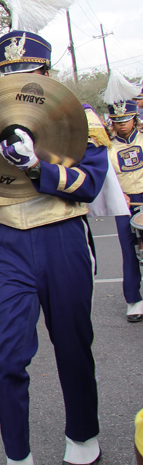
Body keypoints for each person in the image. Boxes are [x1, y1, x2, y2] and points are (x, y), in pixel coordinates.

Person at [0, 25, 111, 465]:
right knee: (5, 356)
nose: (17, 81)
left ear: (46, 73)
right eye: (8, 73)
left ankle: (84, 435)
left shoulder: (80, 117)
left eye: (27, 72)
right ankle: (19, 461)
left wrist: (39, 167)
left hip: (63, 235)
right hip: (12, 242)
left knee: (73, 344)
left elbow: (90, 182)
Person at [104, 97, 143, 322]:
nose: (122, 125)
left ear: (134, 118)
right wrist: (121, 194)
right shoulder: (108, 147)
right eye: (117, 121)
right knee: (129, 251)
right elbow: (108, 178)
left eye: (126, 120)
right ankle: (134, 299)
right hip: (125, 203)